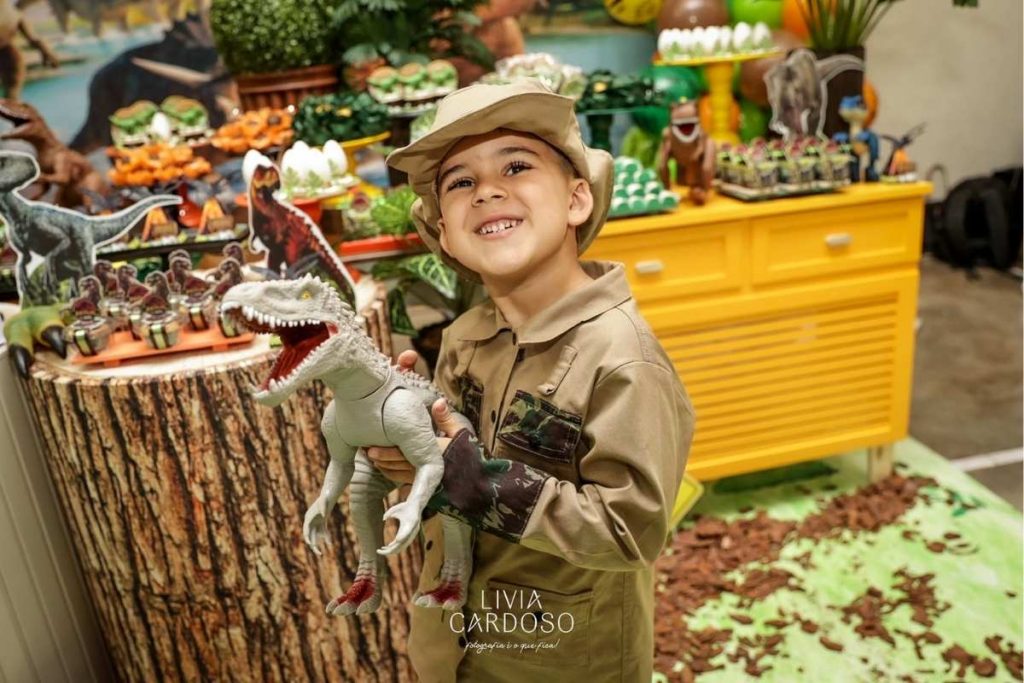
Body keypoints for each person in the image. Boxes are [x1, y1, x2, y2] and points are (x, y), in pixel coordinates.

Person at [369, 80, 695, 682]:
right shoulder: (466, 338)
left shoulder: (622, 359)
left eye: (516, 166)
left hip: (567, 659)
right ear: (445, 232)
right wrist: (411, 449)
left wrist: (469, 475)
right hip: (460, 641)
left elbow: (629, 531)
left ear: (577, 201)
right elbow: (448, 472)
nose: (488, 190)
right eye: (460, 182)